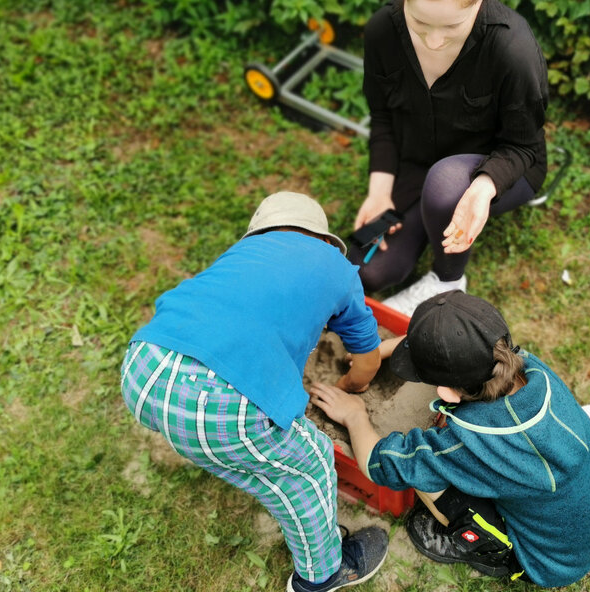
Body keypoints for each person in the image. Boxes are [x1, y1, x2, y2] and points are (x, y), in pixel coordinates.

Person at [120, 191, 392, 592]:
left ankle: (251, 471)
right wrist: (350, 385)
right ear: (321, 238)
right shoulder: (337, 266)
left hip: (144, 367)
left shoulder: (242, 256)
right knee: (309, 465)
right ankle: (322, 575)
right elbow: (367, 359)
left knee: (242, 453)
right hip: (217, 397)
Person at [310, 291, 590, 588]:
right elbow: (457, 349)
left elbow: (379, 462)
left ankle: (490, 552)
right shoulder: (531, 369)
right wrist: (378, 349)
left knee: (425, 472)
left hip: (548, 562)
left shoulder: (470, 442)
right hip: (580, 522)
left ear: (447, 392)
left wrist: (354, 416)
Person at [350, 0, 549, 316]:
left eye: (453, 26)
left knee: (445, 185)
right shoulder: (382, 31)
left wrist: (484, 185)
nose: (435, 40)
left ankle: (448, 280)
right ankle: (428, 206)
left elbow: (524, 147)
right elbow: (383, 115)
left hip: (501, 163)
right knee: (368, 270)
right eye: (420, 22)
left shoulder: (512, 46)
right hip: (419, 159)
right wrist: (380, 188)